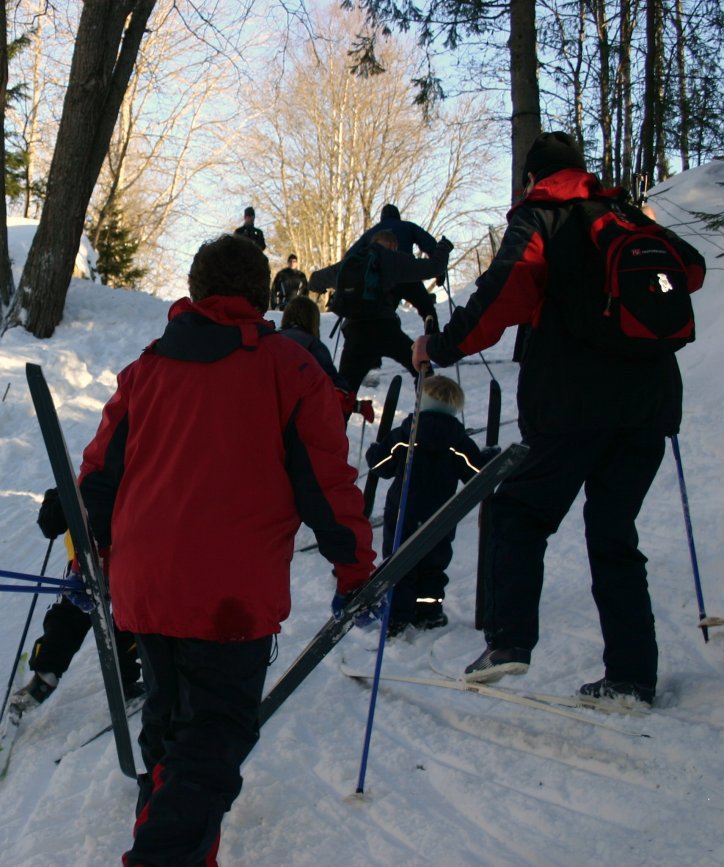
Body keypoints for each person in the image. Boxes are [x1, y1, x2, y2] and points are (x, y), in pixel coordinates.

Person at [78, 233, 376, 865]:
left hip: (146, 592)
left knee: (169, 748)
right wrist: (354, 568)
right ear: (259, 295)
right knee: (208, 753)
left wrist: (89, 554)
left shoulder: (146, 370)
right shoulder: (287, 369)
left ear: (196, 289)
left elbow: (99, 478)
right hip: (226, 603)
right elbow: (327, 481)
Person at [412, 131, 706, 704]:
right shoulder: (619, 213)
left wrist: (439, 347)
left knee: (518, 510)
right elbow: (689, 270)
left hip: (573, 405)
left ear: (531, 178)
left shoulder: (543, 216)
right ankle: (632, 675)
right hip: (648, 408)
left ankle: (509, 643)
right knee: (614, 535)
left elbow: (501, 295)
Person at [366, 375, 495, 635]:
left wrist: (375, 451)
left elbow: (381, 467)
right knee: (433, 563)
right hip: (440, 515)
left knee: (399, 562)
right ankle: (429, 612)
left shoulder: (405, 434)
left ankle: (397, 616)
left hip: (402, 512)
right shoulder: (458, 442)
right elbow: (477, 475)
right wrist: (489, 457)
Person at [8, 489, 142, 715]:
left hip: (87, 562)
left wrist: (54, 498)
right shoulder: (131, 470)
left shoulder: (80, 481)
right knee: (130, 619)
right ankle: (126, 682)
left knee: (69, 616)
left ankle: (44, 677)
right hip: (127, 560)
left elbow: (50, 526)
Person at [321, 228, 451, 394]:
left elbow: (315, 280)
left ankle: (340, 417)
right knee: (420, 366)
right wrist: (444, 247)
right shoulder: (393, 258)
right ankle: (428, 407)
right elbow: (434, 267)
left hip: (354, 332)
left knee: (344, 391)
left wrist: (324, 289)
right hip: (385, 329)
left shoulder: (353, 262)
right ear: (392, 245)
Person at [279, 295, 366, 420]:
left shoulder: (270, 339)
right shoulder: (312, 346)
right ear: (313, 320)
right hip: (297, 423)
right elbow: (334, 389)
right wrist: (356, 405)